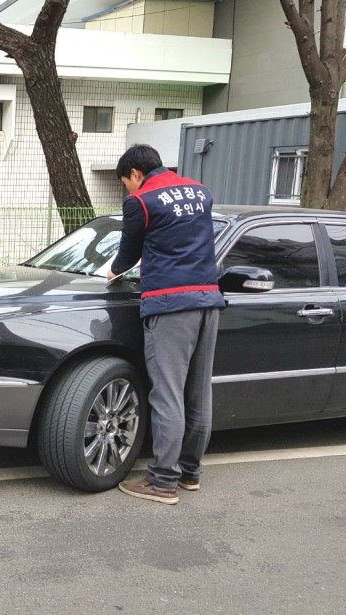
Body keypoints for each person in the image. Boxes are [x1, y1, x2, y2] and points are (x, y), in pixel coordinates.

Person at [107, 144, 225, 506]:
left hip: (171, 304)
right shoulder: (200, 191)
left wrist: (112, 272)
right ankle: (190, 474)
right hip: (208, 299)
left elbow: (129, 252)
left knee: (167, 393)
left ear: (135, 174)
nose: (129, 189)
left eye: (126, 182)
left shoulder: (141, 201)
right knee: (197, 392)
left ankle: (161, 482)